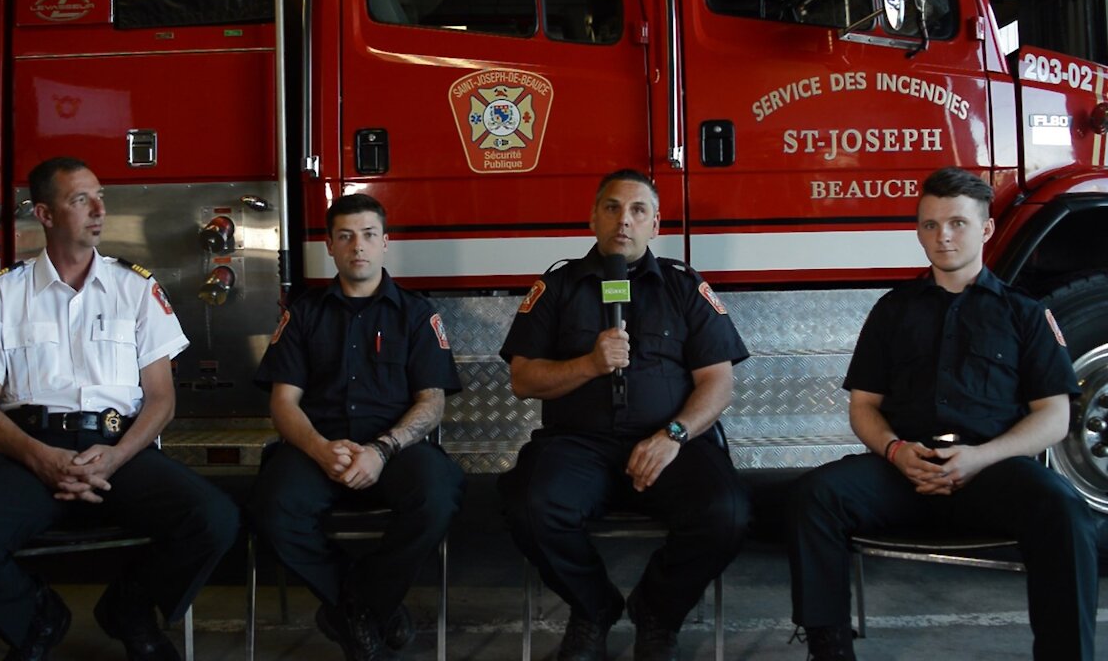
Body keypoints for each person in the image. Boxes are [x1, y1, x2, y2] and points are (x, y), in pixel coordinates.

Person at [0, 157, 239, 661]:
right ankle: (37, 619)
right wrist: (40, 458)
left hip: (119, 450)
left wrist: (116, 458)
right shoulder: (5, 295)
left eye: (100, 198)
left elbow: (161, 398)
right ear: (45, 215)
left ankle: (130, 610)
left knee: (215, 520)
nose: (99, 210)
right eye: (81, 200)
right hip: (28, 454)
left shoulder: (135, 289)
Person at [787, 167, 1099, 661]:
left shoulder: (1025, 314)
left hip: (991, 472)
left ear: (986, 229)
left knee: (1065, 511)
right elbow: (864, 407)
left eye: (956, 223)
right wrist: (894, 450)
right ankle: (829, 648)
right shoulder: (893, 310)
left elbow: (1053, 417)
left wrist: (980, 458)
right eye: (929, 225)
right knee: (815, 497)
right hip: (903, 470)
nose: (942, 236)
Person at [498, 168, 751, 661]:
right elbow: (523, 379)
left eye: (638, 211)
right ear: (592, 217)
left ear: (656, 225)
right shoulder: (556, 287)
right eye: (612, 207)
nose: (624, 220)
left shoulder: (684, 287)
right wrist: (590, 364)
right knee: (528, 506)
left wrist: (674, 434)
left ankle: (657, 613)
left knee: (729, 513)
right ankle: (593, 608)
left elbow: (719, 382)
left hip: (668, 443)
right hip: (577, 444)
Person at [247, 193, 464, 661]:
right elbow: (283, 403)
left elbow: (432, 402)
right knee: (273, 507)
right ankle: (368, 608)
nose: (357, 246)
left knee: (438, 496)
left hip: (395, 450)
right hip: (317, 446)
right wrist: (321, 449)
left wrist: (382, 450)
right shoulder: (303, 314)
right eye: (345, 236)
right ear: (329, 246)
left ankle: (355, 607)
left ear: (385, 243)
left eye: (368, 235)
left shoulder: (417, 314)